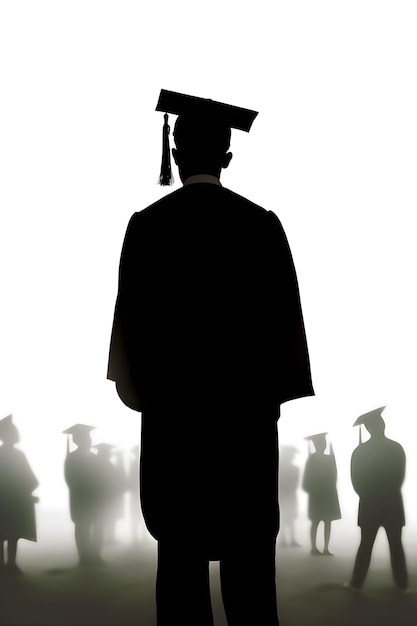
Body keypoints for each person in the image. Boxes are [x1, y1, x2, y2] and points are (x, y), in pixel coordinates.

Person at [107, 88, 314, 626]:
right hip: (243, 444)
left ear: (175, 155)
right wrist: (258, 404)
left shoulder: (146, 228)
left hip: (177, 444)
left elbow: (128, 348)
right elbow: (285, 337)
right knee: (251, 595)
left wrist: (159, 399)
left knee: (179, 587)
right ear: (227, 156)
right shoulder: (261, 226)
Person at [346, 406, 408, 591]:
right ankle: (402, 583)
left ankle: (356, 583)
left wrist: (367, 495)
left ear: (368, 429)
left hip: (369, 504)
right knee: (396, 544)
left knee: (365, 544)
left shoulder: (359, 452)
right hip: (392, 503)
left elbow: (355, 481)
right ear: (382, 426)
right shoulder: (396, 448)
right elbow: (400, 478)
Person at [0, 414, 39, 575]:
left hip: (9, 500)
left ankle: (7, 565)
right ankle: (10, 565)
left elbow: (28, 477)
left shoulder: (14, 454)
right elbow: (29, 479)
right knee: (10, 534)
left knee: (7, 534)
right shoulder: (16, 455)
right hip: (10, 500)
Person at [63, 424, 104, 566]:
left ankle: (96, 556)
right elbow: (70, 479)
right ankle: (84, 558)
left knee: (98, 526)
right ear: (77, 440)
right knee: (83, 527)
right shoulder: (72, 458)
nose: (89, 440)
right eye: (85, 437)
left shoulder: (95, 458)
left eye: (89, 437)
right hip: (81, 498)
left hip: (95, 499)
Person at [302, 432, 341, 555]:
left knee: (327, 521)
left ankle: (326, 548)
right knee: (316, 521)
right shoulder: (311, 460)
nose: (322, 445)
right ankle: (314, 547)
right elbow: (306, 479)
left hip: (328, 493)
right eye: (320, 443)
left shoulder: (329, 458)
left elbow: (334, 475)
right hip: (317, 494)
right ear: (315, 445)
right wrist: (313, 489)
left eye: (323, 443)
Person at [93, 443, 127, 545]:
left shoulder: (108, 465)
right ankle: (103, 539)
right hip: (102, 498)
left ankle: (109, 538)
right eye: (107, 452)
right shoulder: (98, 466)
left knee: (111, 518)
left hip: (110, 498)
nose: (109, 455)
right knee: (103, 520)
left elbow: (119, 478)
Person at [278, 445, 301, 547]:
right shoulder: (291, 468)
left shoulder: (294, 468)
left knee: (290, 518)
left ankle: (291, 539)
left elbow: (295, 483)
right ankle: (284, 539)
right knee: (283, 518)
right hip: (283, 495)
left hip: (288, 495)